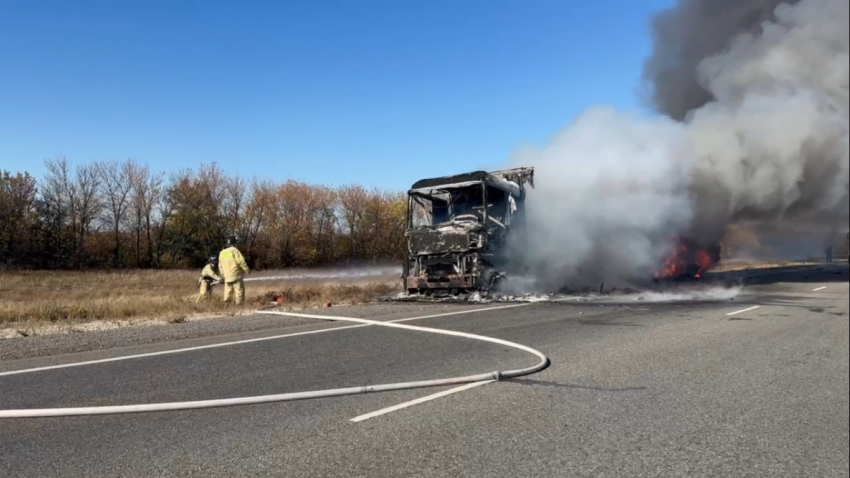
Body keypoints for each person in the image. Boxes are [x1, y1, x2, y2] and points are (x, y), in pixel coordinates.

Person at [218, 236, 250, 305]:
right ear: (234, 243)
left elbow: (220, 266)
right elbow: (241, 261)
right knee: (239, 291)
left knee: (228, 292)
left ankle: (227, 304)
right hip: (236, 276)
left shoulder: (222, 253)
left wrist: (223, 275)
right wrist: (247, 269)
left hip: (227, 277)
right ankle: (239, 305)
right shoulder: (234, 250)